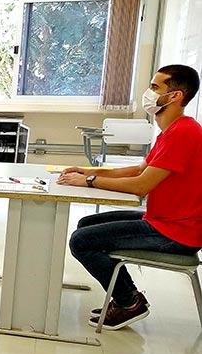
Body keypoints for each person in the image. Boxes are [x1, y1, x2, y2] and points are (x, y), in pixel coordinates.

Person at [59, 64, 202, 330]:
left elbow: (140, 185)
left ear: (176, 96)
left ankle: (128, 302)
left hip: (176, 233)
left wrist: (89, 182)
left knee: (81, 241)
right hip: (163, 220)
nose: (149, 92)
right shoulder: (173, 130)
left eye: (155, 87)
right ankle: (127, 296)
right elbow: (139, 169)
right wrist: (88, 170)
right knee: (87, 225)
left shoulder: (184, 133)